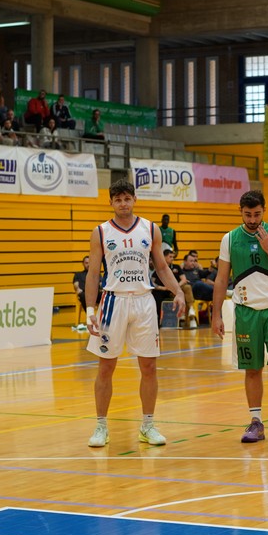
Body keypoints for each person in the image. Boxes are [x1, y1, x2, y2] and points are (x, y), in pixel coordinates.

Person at [84, 178, 185, 448]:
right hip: (112, 302)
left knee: (149, 366)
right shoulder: (101, 232)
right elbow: (93, 273)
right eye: (117, 199)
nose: (123, 203)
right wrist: (89, 309)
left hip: (143, 302)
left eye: (127, 198)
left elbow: (162, 267)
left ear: (134, 200)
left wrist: (178, 291)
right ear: (111, 203)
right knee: (106, 367)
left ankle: (148, 425)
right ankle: (101, 426)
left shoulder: (150, 229)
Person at [211, 190, 268, 443]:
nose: (252, 219)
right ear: (240, 212)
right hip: (245, 310)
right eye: (248, 214)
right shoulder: (229, 239)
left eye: (257, 214)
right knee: (252, 368)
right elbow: (221, 279)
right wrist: (216, 314)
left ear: (264, 211)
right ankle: (256, 422)